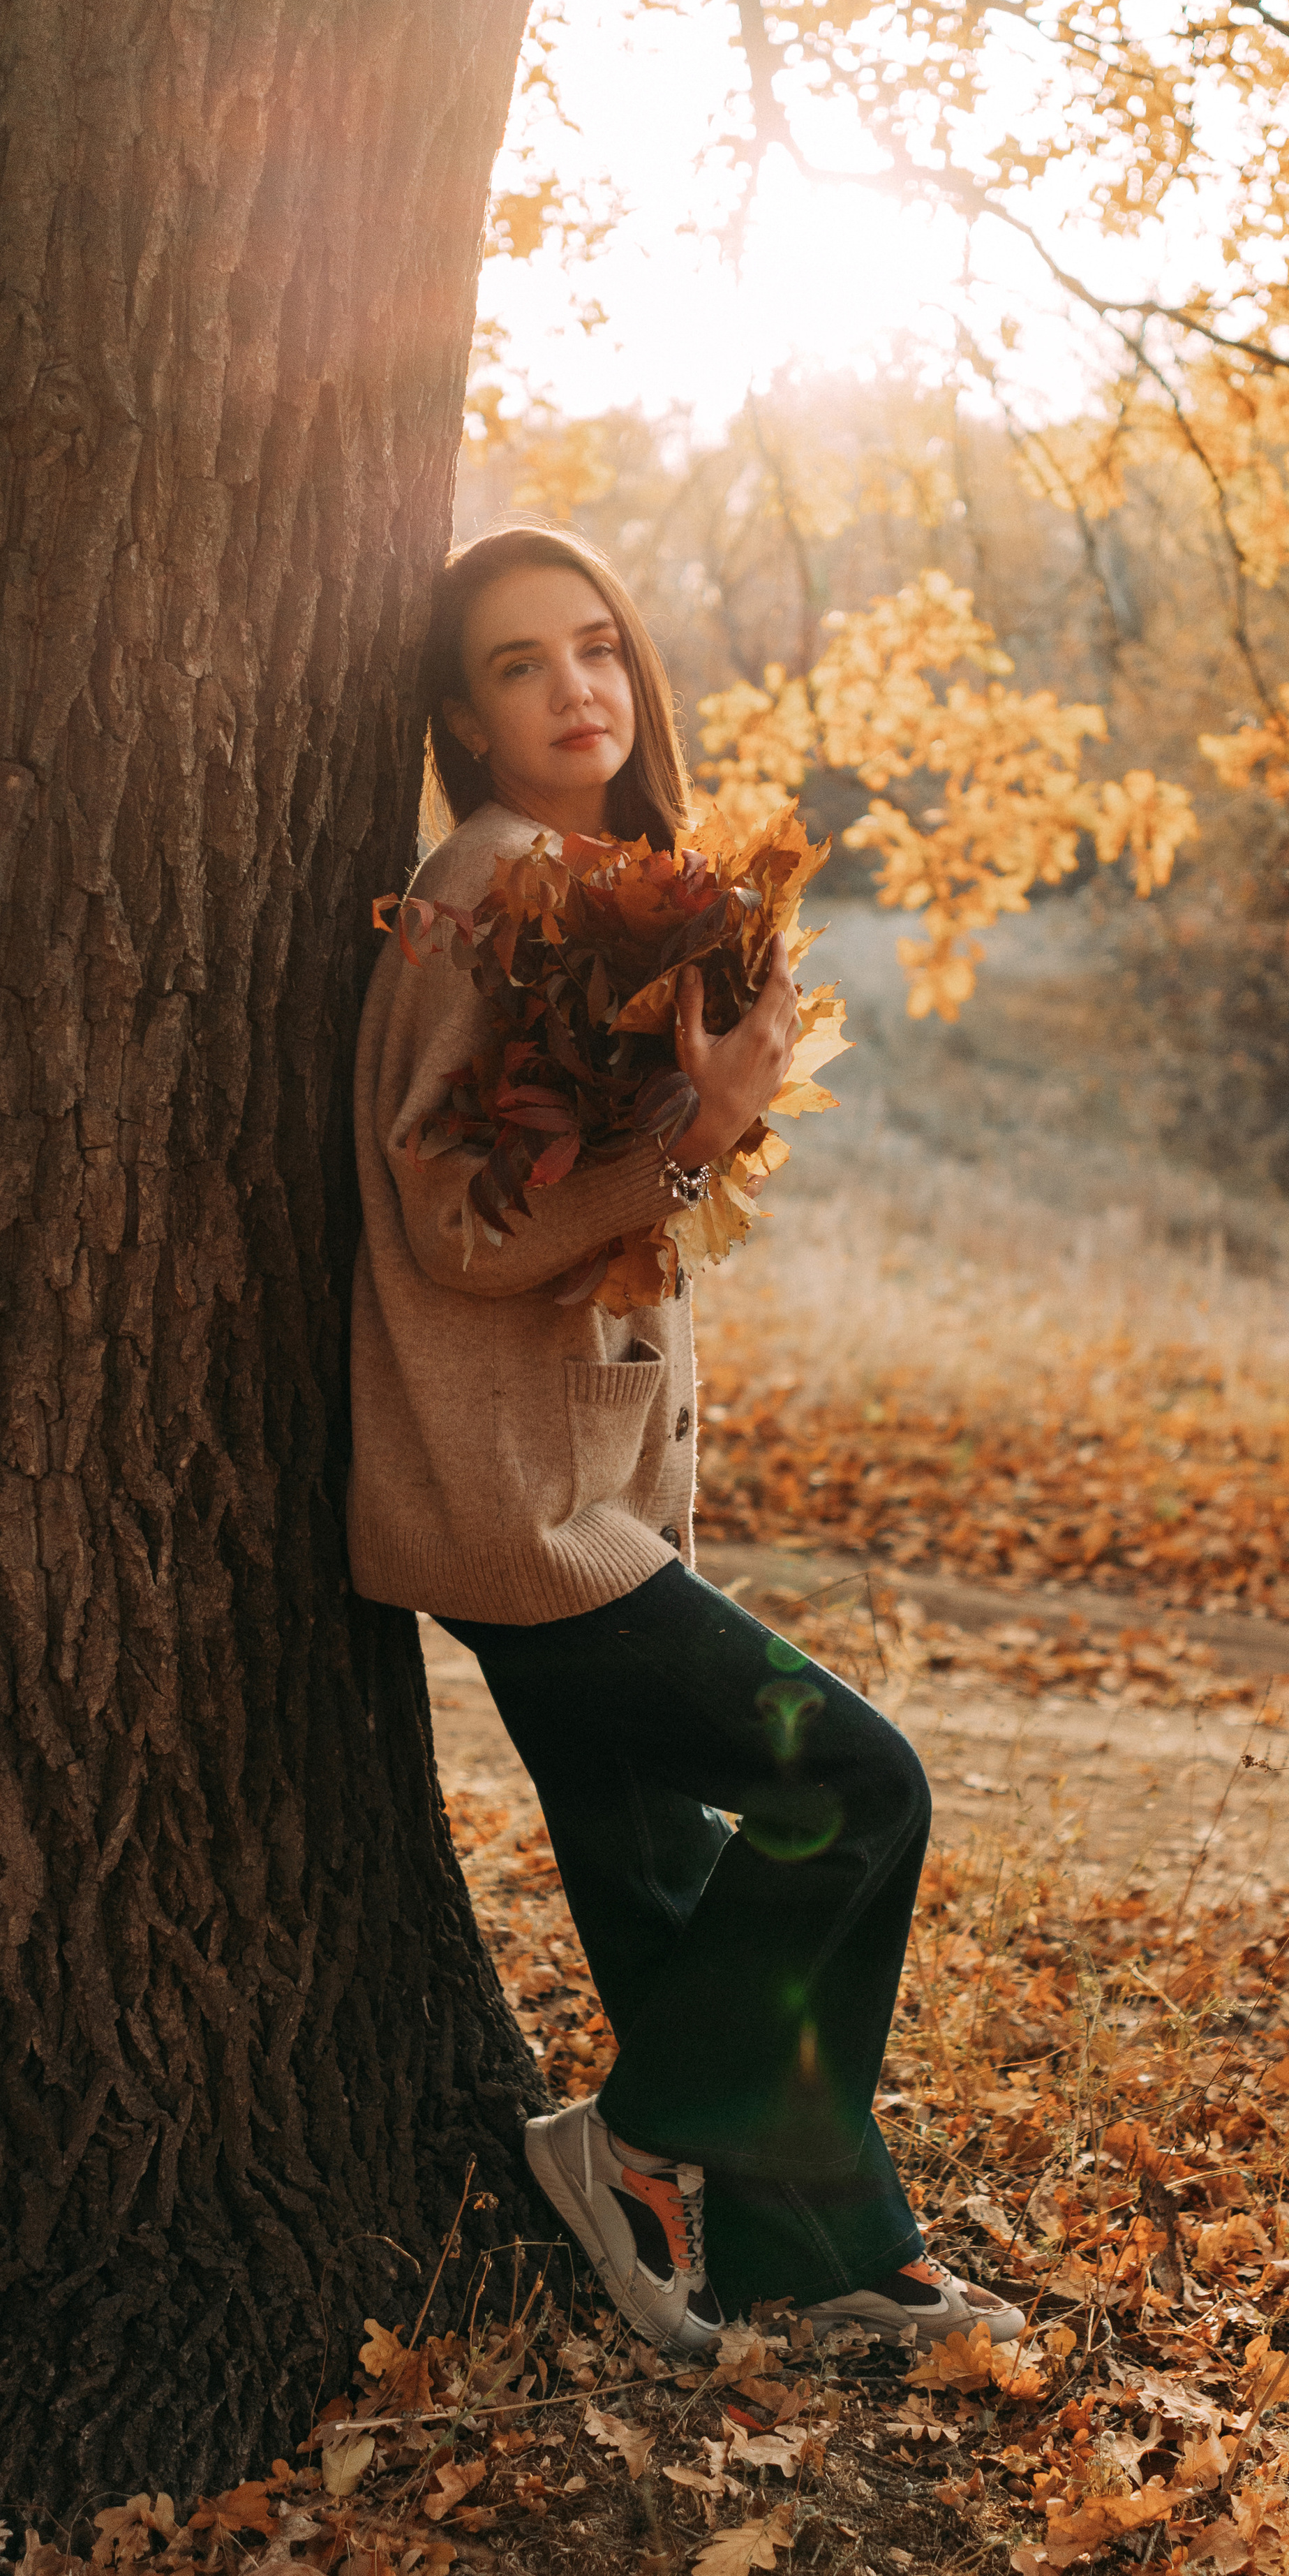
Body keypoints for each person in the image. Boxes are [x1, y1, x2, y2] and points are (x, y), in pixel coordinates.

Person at [347, 522, 1024, 2355]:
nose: (574, 685)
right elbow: (454, 1221)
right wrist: (689, 1139)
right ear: (460, 718)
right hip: (518, 1520)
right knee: (852, 1786)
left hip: (567, 1504)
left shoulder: (586, 882)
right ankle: (636, 2144)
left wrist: (692, 1098)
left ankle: (822, 2252)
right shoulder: (484, 891)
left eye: (595, 648)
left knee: (662, 1891)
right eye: (517, 664)